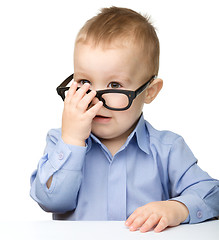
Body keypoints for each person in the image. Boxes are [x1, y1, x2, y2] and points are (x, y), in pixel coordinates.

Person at [30, 6, 219, 233]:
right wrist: (71, 139)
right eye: (84, 82)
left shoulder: (168, 149)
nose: (96, 100)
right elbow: (49, 201)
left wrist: (177, 208)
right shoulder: (60, 142)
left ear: (149, 91)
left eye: (114, 85)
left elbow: (212, 194)